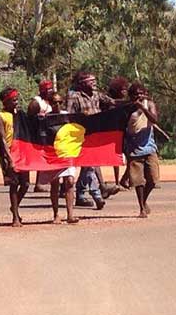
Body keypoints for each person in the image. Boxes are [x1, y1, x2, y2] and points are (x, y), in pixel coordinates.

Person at [66, 72, 117, 209]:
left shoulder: (96, 95)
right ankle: (97, 194)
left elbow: (112, 102)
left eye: (94, 80)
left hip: (96, 134)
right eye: (91, 81)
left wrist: (131, 103)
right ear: (82, 84)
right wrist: (83, 117)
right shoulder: (74, 96)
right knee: (90, 164)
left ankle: (81, 194)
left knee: (89, 164)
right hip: (81, 134)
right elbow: (69, 116)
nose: (94, 83)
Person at [32, 93, 78, 224]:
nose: (57, 105)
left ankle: (70, 215)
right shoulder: (46, 118)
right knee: (55, 183)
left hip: (67, 152)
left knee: (69, 181)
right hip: (53, 154)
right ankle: (56, 214)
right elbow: (41, 135)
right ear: (50, 103)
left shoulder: (67, 116)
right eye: (54, 102)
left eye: (59, 102)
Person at [0, 87, 29, 227]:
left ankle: (14, 206)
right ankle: (15, 216)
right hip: (8, 152)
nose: (16, 102)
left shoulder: (20, 114)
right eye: (13, 100)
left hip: (22, 152)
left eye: (17, 100)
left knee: (25, 184)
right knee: (14, 184)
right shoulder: (1, 116)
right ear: (6, 102)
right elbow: (2, 138)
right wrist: (9, 158)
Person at [125, 83, 159, 218]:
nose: (138, 96)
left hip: (149, 147)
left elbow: (154, 120)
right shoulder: (127, 109)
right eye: (135, 94)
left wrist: (143, 109)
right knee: (138, 182)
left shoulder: (149, 104)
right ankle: (141, 208)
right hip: (134, 150)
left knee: (153, 180)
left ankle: (144, 201)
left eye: (141, 93)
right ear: (131, 96)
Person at [28, 80, 54, 193]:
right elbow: (30, 119)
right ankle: (39, 183)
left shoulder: (51, 101)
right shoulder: (36, 102)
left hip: (50, 134)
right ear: (43, 90)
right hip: (40, 134)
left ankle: (47, 181)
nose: (51, 91)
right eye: (48, 89)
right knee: (41, 158)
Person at [106, 77, 130, 189]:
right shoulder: (110, 103)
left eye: (126, 89)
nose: (125, 92)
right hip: (114, 133)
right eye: (122, 89)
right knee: (116, 158)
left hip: (125, 132)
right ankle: (116, 181)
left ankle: (124, 179)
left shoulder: (128, 103)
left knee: (132, 157)